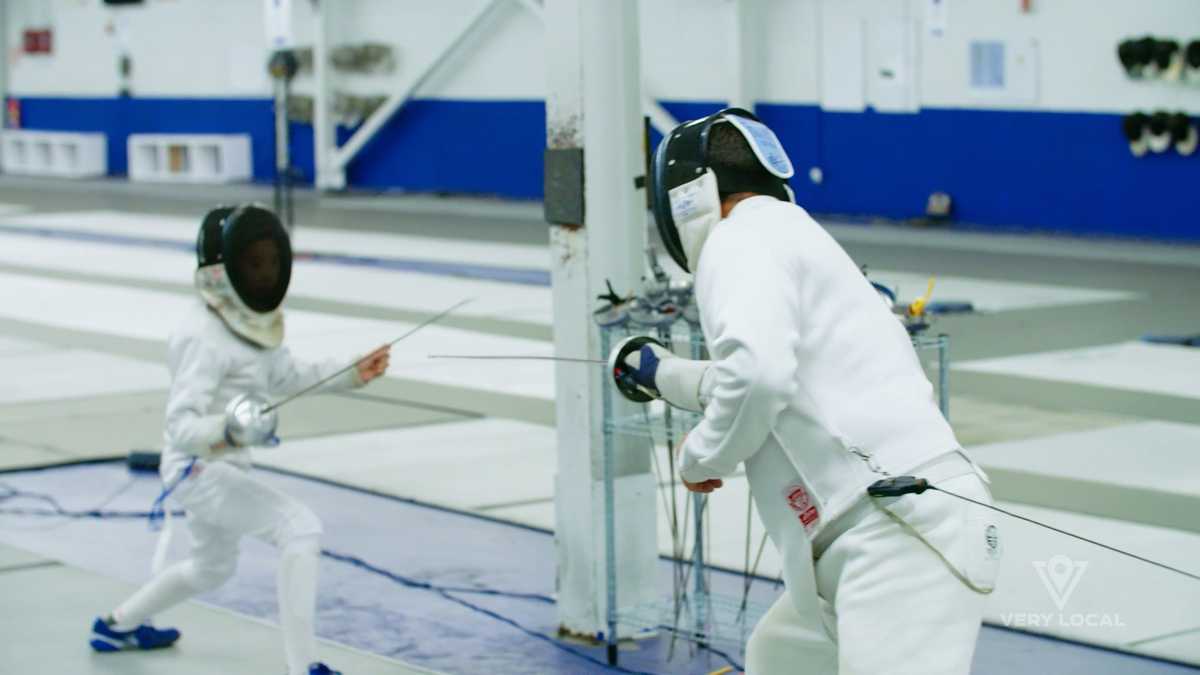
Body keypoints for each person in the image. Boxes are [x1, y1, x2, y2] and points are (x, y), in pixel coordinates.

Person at [627, 109, 1001, 674]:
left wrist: (704, 455)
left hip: (899, 536)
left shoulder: (737, 239)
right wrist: (655, 372)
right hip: (856, 543)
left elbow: (758, 376)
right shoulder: (788, 233)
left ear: (686, 198)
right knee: (776, 658)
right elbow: (754, 381)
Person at [88, 204, 391, 675]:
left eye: (272, 261)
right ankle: (304, 667)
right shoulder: (203, 336)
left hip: (226, 466)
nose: (267, 273)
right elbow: (181, 427)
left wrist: (351, 371)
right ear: (221, 269)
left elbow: (287, 375)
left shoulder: (250, 322)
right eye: (254, 263)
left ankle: (117, 624)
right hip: (197, 469)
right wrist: (228, 430)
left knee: (213, 568)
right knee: (300, 527)